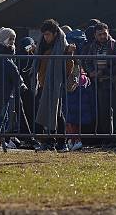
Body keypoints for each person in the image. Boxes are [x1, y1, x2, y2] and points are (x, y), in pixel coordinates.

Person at [31, 19, 76, 151]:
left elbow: (68, 69)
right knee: (44, 113)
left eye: (48, 34)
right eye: (44, 34)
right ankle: (48, 142)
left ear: (55, 34)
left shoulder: (64, 47)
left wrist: (69, 54)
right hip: (43, 84)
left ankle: (62, 143)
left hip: (57, 84)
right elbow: (40, 65)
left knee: (57, 114)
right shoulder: (41, 45)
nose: (46, 37)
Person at [84, 22, 116, 141]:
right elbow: (87, 61)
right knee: (103, 113)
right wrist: (91, 72)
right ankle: (106, 139)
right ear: (95, 35)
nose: (102, 36)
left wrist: (104, 72)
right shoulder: (93, 46)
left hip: (114, 84)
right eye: (99, 34)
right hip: (100, 84)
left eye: (104, 34)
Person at [0, 28, 28, 149]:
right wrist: (20, 84)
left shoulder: (4, 53)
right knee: (1, 117)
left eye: (14, 39)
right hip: (1, 90)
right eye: (10, 39)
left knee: (3, 117)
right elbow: (13, 71)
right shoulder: (3, 55)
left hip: (2, 89)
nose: (12, 42)